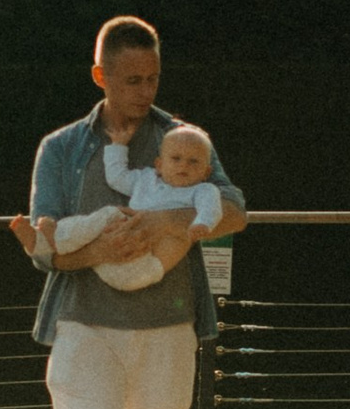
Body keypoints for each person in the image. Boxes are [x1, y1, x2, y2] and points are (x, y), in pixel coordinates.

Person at [8, 18, 245, 409]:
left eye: (153, 78)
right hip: (84, 329)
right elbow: (46, 249)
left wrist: (164, 220)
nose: (144, 91)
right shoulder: (62, 149)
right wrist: (99, 252)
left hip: (167, 332)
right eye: (130, 80)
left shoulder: (182, 140)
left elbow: (234, 208)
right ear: (100, 77)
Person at [42, 123, 225, 291]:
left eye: (194, 161)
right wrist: (118, 145)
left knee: (171, 241)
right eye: (176, 158)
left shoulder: (203, 190)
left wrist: (202, 224)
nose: (184, 165)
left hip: (149, 260)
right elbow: (117, 177)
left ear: (206, 172)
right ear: (159, 165)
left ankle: (69, 245)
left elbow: (211, 208)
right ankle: (58, 237)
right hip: (122, 242)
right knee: (110, 213)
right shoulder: (145, 179)